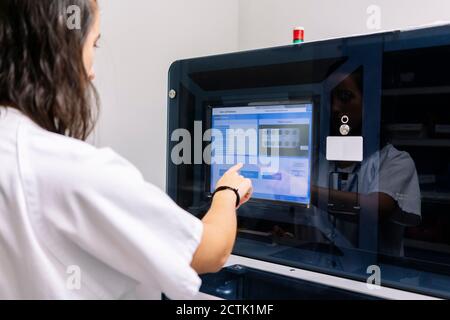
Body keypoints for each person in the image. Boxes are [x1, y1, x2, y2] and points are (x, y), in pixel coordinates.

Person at [0, 0, 253, 299]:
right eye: (93, 45)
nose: (91, 72)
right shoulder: (71, 169)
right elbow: (211, 251)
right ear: (60, 51)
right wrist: (227, 192)